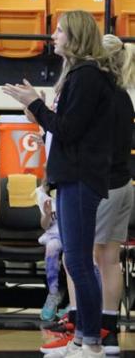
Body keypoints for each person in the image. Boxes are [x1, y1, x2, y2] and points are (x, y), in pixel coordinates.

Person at [3, 10, 115, 358]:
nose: (53, 35)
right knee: (76, 261)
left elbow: (67, 129)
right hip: (72, 176)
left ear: (76, 37)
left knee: (80, 263)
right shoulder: (81, 75)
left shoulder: (87, 76)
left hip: (81, 178)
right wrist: (36, 109)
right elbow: (64, 127)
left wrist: (33, 103)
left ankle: (92, 342)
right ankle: (82, 338)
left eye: (59, 30)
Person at [42, 34, 135, 356]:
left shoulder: (99, 90)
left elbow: (76, 136)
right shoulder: (120, 94)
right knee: (105, 260)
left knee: (81, 260)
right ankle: (98, 330)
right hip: (118, 183)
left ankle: (85, 330)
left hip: (102, 183)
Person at [35, 179, 63, 321]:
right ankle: (53, 294)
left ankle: (75, 303)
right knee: (51, 248)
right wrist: (46, 215)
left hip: (75, 233)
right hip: (54, 234)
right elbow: (45, 226)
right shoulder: (43, 194)